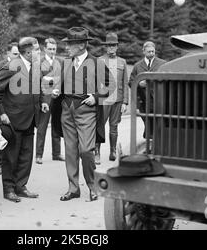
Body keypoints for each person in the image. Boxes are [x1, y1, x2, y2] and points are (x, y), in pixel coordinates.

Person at [53, 27, 111, 202]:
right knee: (70, 151)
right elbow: (61, 84)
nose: (67, 47)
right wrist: (57, 91)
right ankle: (73, 188)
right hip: (67, 109)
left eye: (70, 44)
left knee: (86, 150)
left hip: (87, 111)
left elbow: (110, 86)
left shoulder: (96, 63)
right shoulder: (65, 62)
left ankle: (93, 187)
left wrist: (96, 96)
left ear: (80, 45)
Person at [0, 37, 49, 203]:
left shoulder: (35, 67)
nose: (40, 53)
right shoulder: (11, 67)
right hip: (13, 119)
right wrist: (2, 113)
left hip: (31, 118)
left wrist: (43, 102)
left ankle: (21, 186)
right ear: (28, 52)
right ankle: (9, 189)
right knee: (11, 156)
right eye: (37, 50)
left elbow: (38, 88)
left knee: (26, 155)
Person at [97, 32, 128, 164]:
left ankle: (113, 150)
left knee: (114, 126)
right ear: (106, 47)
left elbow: (125, 83)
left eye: (113, 45)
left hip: (118, 99)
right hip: (104, 99)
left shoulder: (122, 62)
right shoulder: (100, 60)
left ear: (117, 47)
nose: (111, 48)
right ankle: (96, 151)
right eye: (109, 45)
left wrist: (125, 101)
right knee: (100, 126)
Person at [35, 38, 64, 164]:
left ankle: (56, 153)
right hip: (45, 99)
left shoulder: (61, 62)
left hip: (58, 99)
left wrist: (58, 91)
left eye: (54, 49)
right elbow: (38, 82)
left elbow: (62, 79)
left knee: (57, 125)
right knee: (42, 127)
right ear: (45, 49)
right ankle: (39, 155)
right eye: (50, 49)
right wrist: (43, 99)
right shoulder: (40, 62)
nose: (52, 51)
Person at [128, 41, 166, 139]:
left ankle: (153, 143)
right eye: (149, 52)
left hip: (159, 100)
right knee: (147, 122)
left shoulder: (163, 64)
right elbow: (131, 82)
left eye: (153, 51)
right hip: (143, 101)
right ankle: (150, 142)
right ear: (143, 51)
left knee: (158, 123)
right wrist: (139, 83)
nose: (151, 53)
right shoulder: (137, 66)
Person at [0, 42, 19, 176]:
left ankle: (11, 164)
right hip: (2, 106)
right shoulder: (1, 66)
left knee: (12, 137)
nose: (17, 56)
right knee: (4, 135)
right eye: (15, 54)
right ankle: (0, 164)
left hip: (15, 109)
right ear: (8, 53)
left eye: (19, 54)